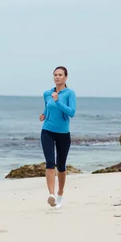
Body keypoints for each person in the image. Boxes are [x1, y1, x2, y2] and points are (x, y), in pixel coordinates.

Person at [39, 66, 77, 209]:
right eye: (55, 74)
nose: (57, 77)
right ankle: (52, 195)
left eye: (60, 75)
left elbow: (71, 112)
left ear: (66, 77)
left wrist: (58, 101)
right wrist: (43, 115)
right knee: (50, 162)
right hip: (47, 131)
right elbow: (47, 108)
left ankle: (60, 193)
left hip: (63, 134)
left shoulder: (70, 94)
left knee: (61, 166)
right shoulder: (47, 93)